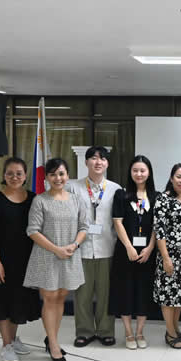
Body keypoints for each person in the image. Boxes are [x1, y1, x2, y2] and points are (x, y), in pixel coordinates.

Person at [24, 158, 88, 361]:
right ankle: (53, 344)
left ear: (67, 175)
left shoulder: (76, 199)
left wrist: (74, 245)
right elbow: (32, 230)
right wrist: (56, 250)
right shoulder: (40, 200)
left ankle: (51, 337)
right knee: (50, 297)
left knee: (61, 296)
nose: (58, 178)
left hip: (69, 254)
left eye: (61, 173)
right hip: (47, 256)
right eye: (53, 174)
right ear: (47, 177)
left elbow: (84, 227)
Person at [0, 157, 40, 361]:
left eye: (19, 173)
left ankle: (14, 339)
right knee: (2, 302)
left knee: (18, 302)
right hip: (2, 259)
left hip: (26, 260)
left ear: (25, 176)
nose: (14, 177)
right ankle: (6, 344)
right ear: (4, 176)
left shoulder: (33, 198)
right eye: (10, 173)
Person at [66, 146, 121, 348]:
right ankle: (84, 331)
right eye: (94, 158)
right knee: (83, 294)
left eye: (102, 159)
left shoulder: (116, 189)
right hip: (81, 249)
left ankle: (106, 331)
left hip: (107, 248)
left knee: (106, 293)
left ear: (107, 163)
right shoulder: (73, 187)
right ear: (86, 162)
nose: (98, 162)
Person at [109, 155, 158, 350]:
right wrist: (129, 247)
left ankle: (140, 332)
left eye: (143, 170)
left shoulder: (156, 196)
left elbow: (157, 225)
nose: (139, 174)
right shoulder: (122, 195)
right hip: (125, 251)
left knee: (143, 292)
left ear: (149, 173)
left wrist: (150, 247)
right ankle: (128, 333)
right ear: (130, 172)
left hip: (147, 253)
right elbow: (117, 222)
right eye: (135, 170)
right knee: (126, 291)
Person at [154, 163, 181, 349]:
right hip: (169, 255)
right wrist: (165, 257)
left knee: (180, 295)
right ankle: (170, 333)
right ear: (171, 178)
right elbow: (159, 230)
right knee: (168, 295)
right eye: (178, 176)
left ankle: (175, 328)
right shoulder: (163, 199)